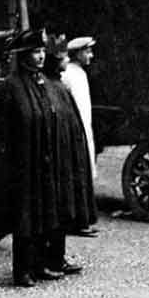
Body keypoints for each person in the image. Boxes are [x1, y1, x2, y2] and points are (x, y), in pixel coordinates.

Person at [0, 28, 87, 287]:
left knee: (45, 213)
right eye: (35, 52)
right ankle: (22, 270)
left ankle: (41, 264)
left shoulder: (43, 83)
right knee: (25, 217)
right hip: (23, 164)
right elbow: (4, 134)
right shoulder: (11, 87)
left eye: (42, 51)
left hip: (44, 161)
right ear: (23, 56)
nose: (41, 56)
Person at [60, 36, 100, 237]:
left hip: (84, 129)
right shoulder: (69, 74)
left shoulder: (79, 74)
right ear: (77, 53)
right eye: (87, 52)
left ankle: (83, 219)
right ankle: (77, 221)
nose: (91, 56)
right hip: (76, 132)